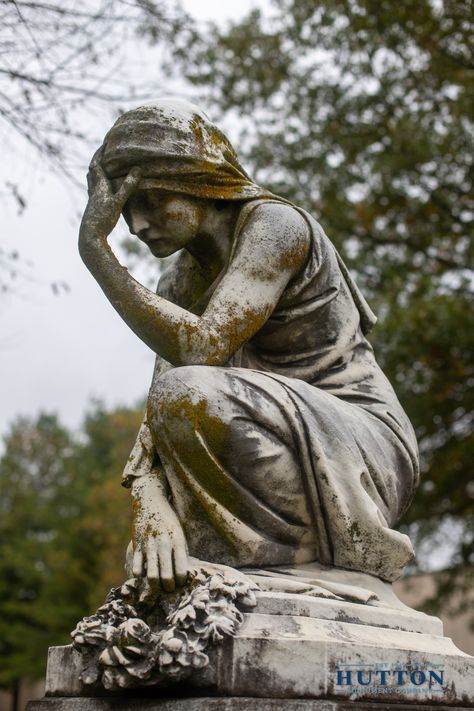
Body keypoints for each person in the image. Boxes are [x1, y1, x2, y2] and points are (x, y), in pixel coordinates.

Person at [79, 98, 419, 594]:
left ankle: (280, 567)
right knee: (179, 399)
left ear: (194, 180)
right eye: (123, 211)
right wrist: (150, 506)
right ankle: (251, 571)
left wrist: (96, 253)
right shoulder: (177, 282)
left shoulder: (276, 227)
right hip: (265, 433)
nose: (135, 225)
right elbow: (159, 414)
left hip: (355, 441)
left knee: (187, 391)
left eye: (148, 200)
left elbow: (203, 348)